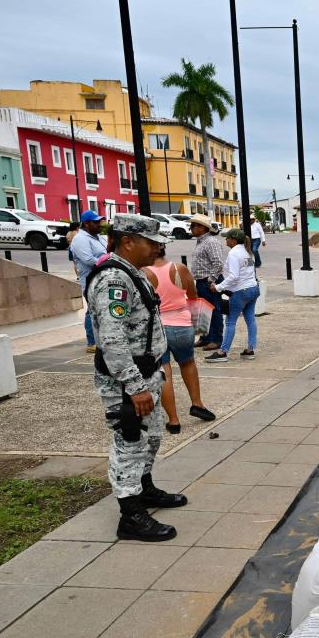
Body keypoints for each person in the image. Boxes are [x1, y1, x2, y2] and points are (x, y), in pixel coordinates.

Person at [85, 213, 187, 542]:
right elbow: (112, 339)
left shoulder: (133, 273)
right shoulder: (114, 279)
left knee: (152, 436)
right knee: (130, 441)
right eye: (152, 242)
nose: (157, 248)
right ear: (128, 241)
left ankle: (144, 489)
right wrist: (134, 386)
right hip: (127, 381)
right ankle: (130, 514)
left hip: (146, 373)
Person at [142, 248, 217, 434]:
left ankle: (174, 421)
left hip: (158, 327)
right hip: (183, 325)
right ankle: (197, 404)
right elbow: (192, 295)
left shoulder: (143, 273)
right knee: (188, 363)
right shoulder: (179, 268)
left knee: (164, 371)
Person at [206, 229, 260, 363]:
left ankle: (223, 352)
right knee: (250, 320)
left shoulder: (234, 253)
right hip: (253, 289)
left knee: (230, 322)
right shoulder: (248, 252)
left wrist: (218, 287)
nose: (225, 240)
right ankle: (250, 349)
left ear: (234, 240)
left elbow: (234, 276)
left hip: (239, 292)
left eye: (227, 238)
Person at [69, 210, 108, 352]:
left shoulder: (99, 238)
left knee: (99, 309)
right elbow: (89, 260)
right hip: (91, 280)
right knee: (92, 310)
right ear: (86, 223)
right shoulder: (80, 239)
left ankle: (99, 339)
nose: (99, 224)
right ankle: (92, 342)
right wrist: (108, 262)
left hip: (103, 278)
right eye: (96, 222)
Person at [188, 214, 228, 351]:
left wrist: (211, 281)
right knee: (203, 312)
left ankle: (216, 339)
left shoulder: (211, 242)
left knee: (214, 310)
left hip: (208, 281)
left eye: (194, 226)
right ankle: (205, 338)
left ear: (203, 228)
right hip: (201, 280)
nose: (191, 228)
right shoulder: (201, 241)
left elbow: (218, 263)